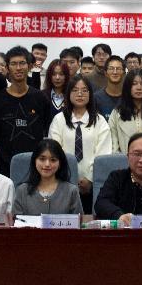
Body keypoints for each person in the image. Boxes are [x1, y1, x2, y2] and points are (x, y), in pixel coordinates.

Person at [49, 75, 112, 213]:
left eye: (84, 90)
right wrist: (71, 178)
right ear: (68, 93)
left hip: (93, 184)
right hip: (63, 182)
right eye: (75, 90)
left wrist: (90, 179)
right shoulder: (59, 120)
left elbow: (103, 154)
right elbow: (55, 152)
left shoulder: (99, 121)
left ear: (90, 94)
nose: (80, 94)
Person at [0, 46, 51, 175]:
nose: (18, 67)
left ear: (30, 66)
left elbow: (47, 129)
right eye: (14, 64)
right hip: (5, 167)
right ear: (7, 68)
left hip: (36, 166)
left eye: (22, 63)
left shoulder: (40, 98)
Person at [13, 139, 82, 215]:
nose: (47, 164)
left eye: (53, 160)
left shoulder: (71, 191)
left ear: (60, 163)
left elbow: (78, 220)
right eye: (42, 159)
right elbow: (15, 220)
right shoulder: (22, 191)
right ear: (34, 161)